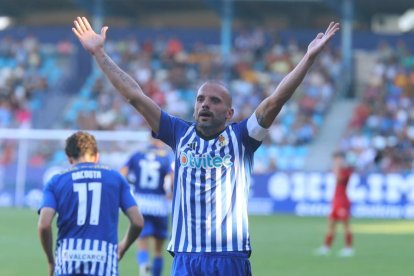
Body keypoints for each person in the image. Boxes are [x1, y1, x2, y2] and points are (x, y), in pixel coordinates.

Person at [72, 16, 340, 275]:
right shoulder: (178, 132)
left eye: (214, 101)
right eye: (201, 99)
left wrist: (308, 58)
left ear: (229, 113)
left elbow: (274, 101)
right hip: (186, 256)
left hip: (229, 256)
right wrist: (99, 53)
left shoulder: (243, 138)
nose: (205, 105)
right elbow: (134, 96)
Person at [38, 131, 144, 276]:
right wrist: (123, 247)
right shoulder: (116, 178)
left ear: (69, 158)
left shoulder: (56, 181)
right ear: (96, 156)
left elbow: (44, 225)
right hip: (104, 260)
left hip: (67, 259)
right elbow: (138, 222)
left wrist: (51, 260)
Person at [120, 138, 174, 276]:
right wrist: (170, 192)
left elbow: (122, 173)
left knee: (142, 244)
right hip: (160, 206)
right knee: (158, 250)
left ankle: (144, 270)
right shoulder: (166, 156)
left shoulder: (138, 154)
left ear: (150, 138)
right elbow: (172, 178)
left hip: (141, 205)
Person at [316, 151, 354, 257]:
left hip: (343, 201)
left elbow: (339, 180)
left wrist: (336, 169)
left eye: (337, 159)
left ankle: (348, 248)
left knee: (346, 225)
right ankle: (326, 247)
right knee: (331, 225)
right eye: (335, 159)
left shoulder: (346, 171)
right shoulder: (339, 170)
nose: (336, 161)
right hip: (336, 201)